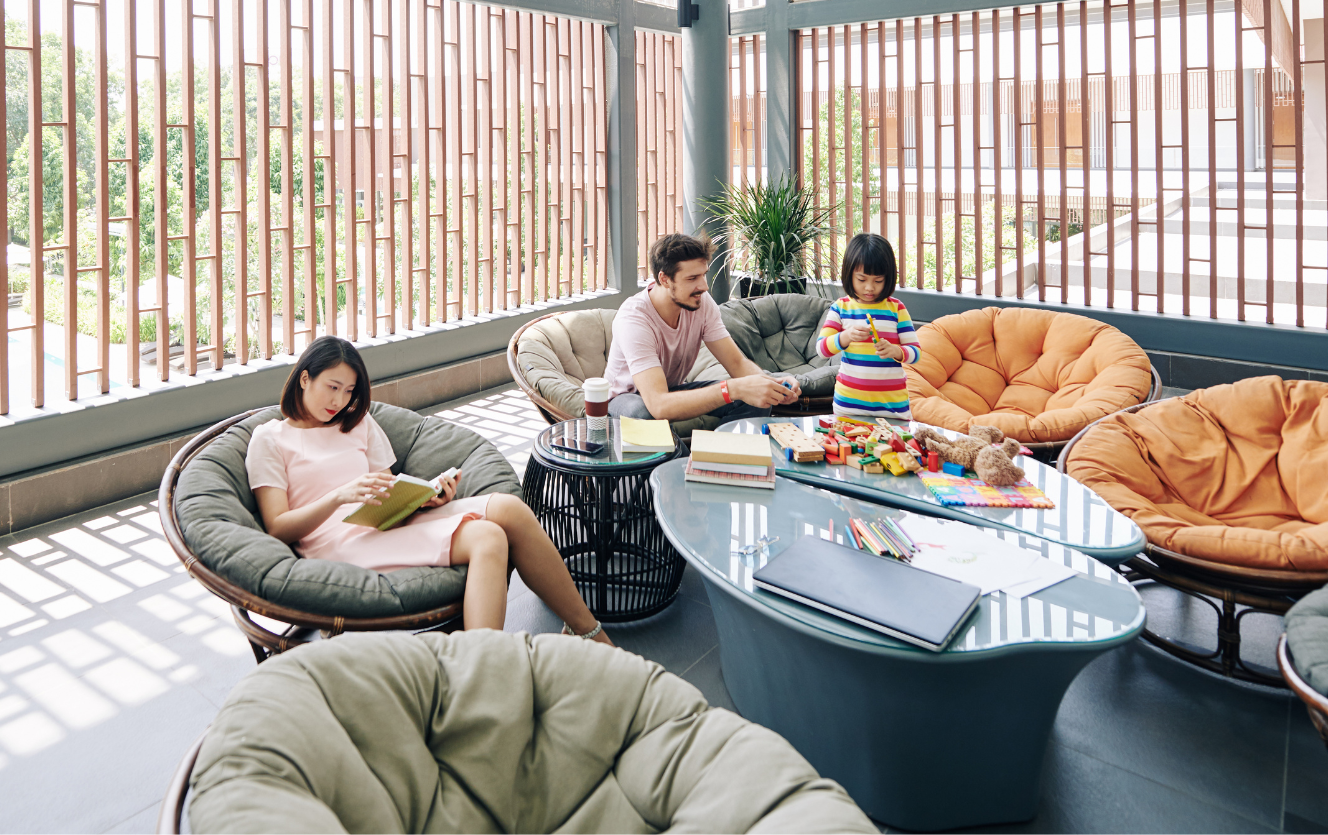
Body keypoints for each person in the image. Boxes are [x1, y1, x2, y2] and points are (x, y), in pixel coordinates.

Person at [247, 336, 614, 644]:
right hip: (336, 543)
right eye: (332, 387)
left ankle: (586, 629)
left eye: (348, 391)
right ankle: (483, 671)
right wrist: (339, 496)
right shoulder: (271, 438)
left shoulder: (358, 423)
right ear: (304, 378)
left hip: (380, 525)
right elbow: (278, 526)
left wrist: (427, 498)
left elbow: (387, 494)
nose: (339, 401)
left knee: (509, 509)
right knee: (487, 537)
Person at [606, 232, 801, 423]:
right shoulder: (635, 319)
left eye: (703, 275)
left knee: (756, 398)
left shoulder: (701, 302)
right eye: (692, 279)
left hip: (669, 391)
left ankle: (726, 454)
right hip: (625, 399)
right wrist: (732, 389)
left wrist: (772, 385)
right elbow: (658, 406)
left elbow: (737, 364)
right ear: (664, 279)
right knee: (643, 414)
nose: (704, 286)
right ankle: (689, 457)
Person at [816, 233, 920, 424]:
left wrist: (895, 351)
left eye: (878, 281)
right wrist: (846, 336)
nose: (870, 288)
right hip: (847, 407)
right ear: (849, 275)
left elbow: (916, 353)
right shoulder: (841, 308)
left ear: (888, 278)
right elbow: (822, 349)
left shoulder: (896, 309)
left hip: (893, 409)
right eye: (862, 280)